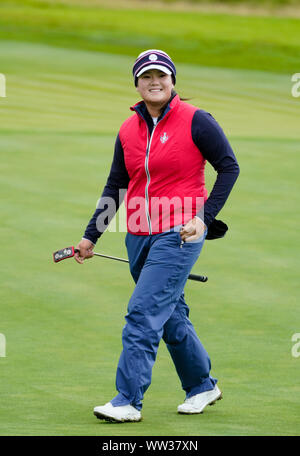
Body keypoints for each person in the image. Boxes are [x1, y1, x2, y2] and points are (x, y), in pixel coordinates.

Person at [74, 49, 240, 423]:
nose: (154, 82)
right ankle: (202, 385)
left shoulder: (197, 121)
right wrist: (91, 237)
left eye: (161, 76)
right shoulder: (127, 129)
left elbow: (229, 168)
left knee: (144, 311)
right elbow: (117, 183)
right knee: (170, 316)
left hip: (180, 232)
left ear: (172, 81)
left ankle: (128, 400)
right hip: (137, 233)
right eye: (146, 76)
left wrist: (203, 218)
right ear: (137, 83)